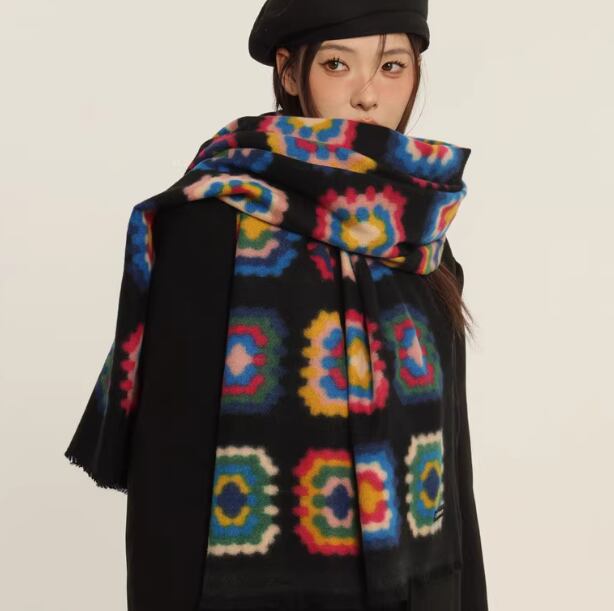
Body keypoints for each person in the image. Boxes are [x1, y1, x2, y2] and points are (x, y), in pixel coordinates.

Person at [63, 1, 488, 610]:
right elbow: (170, 478)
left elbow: (453, 477)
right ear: (290, 71)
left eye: (392, 66)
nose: (368, 95)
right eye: (338, 64)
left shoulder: (421, 244)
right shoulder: (213, 228)